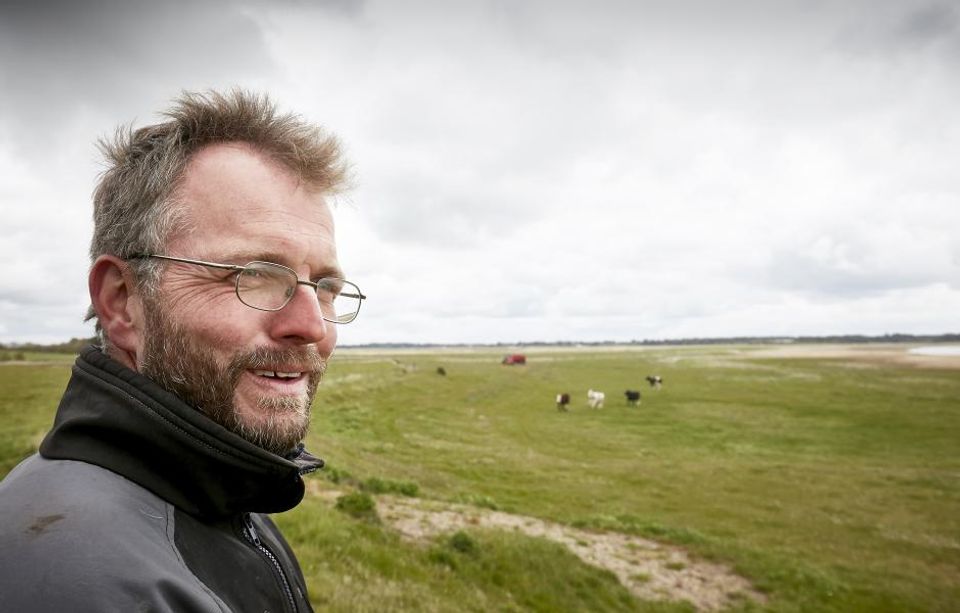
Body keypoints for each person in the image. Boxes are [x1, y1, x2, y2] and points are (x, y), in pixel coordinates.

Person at [0, 89, 364, 612]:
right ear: (123, 302)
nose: (312, 327)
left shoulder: (217, 484)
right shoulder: (80, 581)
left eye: (325, 286)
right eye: (255, 276)